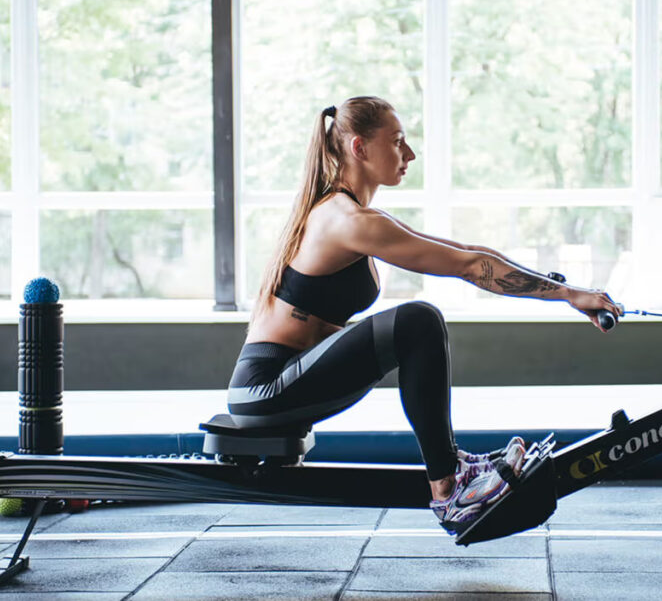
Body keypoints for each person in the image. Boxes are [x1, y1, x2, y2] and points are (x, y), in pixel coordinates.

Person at [229, 96, 622, 534]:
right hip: (266, 389)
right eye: (397, 142)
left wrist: (566, 290)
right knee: (417, 322)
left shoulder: (357, 216)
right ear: (359, 148)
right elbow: (470, 268)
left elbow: (469, 254)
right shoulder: (345, 221)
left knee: (416, 322)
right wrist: (569, 295)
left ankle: (449, 466)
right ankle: (447, 487)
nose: (409, 154)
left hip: (290, 381)